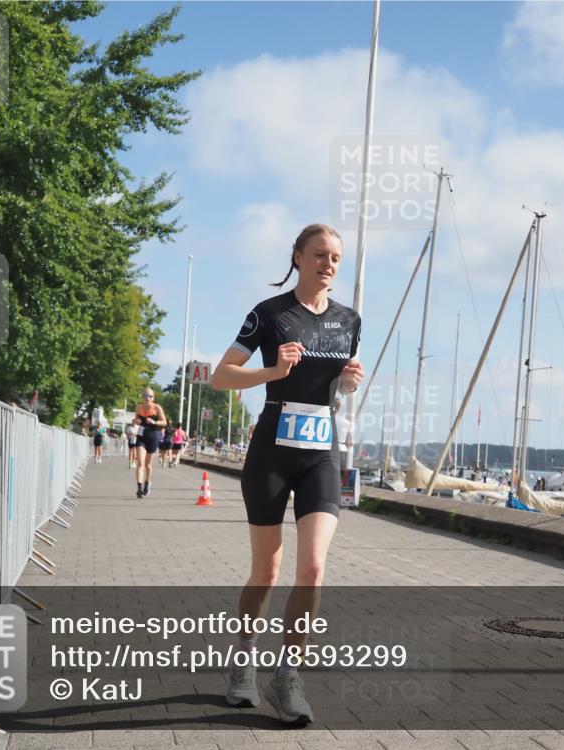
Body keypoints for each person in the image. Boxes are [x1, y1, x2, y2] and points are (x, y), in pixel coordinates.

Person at [212, 223, 363, 726]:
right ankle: (243, 660)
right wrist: (270, 372)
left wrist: (346, 383)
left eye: (337, 258)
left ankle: (288, 673)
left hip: (320, 451)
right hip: (271, 451)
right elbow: (221, 376)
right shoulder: (269, 314)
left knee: (314, 569)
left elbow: (335, 389)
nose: (329, 264)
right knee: (268, 572)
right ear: (297, 257)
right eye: (320, 254)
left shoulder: (349, 320)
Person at [133, 388, 167, 498]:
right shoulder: (139, 408)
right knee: (140, 463)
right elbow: (135, 420)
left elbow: (164, 422)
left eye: (150, 396)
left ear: (153, 398)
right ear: (142, 397)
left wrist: (154, 422)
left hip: (153, 436)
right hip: (141, 436)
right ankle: (139, 488)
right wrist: (136, 421)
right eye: (145, 396)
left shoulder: (157, 408)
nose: (147, 398)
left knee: (148, 465)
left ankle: (147, 483)